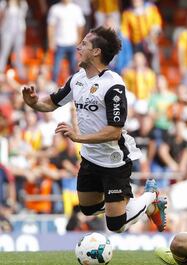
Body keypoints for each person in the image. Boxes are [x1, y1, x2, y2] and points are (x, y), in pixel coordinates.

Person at [21, 26, 166, 233]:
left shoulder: (113, 85)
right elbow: (51, 103)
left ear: (96, 52)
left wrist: (79, 137)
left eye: (84, 44)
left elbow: (114, 132)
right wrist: (33, 103)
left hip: (114, 160)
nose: (78, 47)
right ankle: (124, 202)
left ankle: (151, 198)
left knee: (116, 225)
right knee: (88, 208)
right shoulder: (77, 79)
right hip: (90, 159)